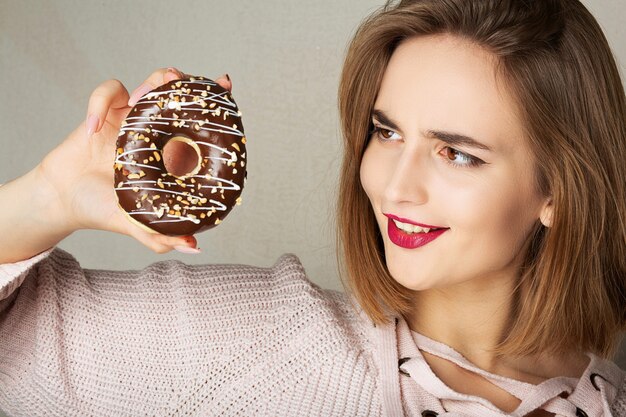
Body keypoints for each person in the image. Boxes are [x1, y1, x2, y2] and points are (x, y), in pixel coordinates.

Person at [0, 0, 624, 415]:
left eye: (457, 154)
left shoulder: (609, 397)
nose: (394, 186)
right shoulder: (256, 343)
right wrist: (49, 197)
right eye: (387, 132)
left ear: (557, 192)